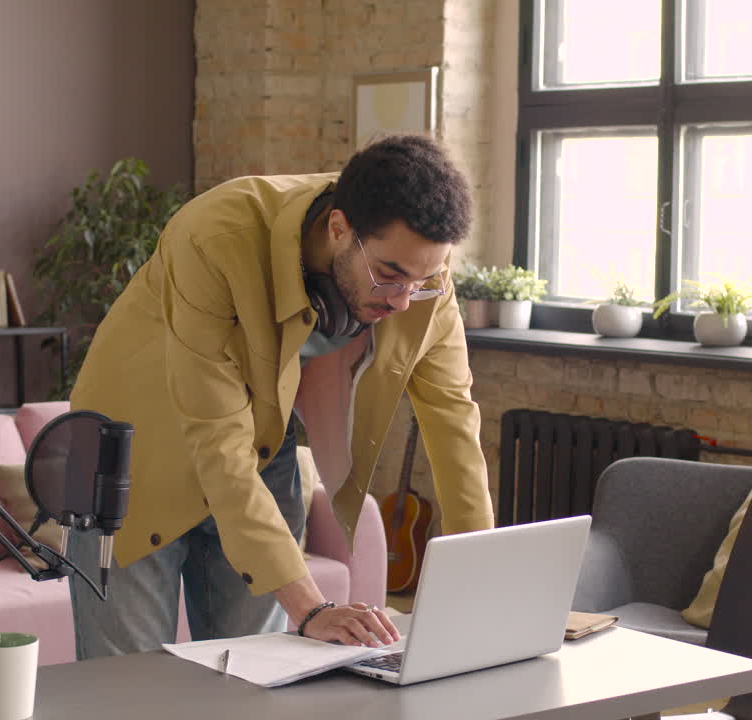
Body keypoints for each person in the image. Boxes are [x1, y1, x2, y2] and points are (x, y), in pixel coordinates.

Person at [68, 134, 494, 658]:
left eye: (425, 280)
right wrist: (311, 608)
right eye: (389, 275)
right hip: (130, 458)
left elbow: (455, 425)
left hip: (261, 450)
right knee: (125, 691)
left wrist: (481, 584)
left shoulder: (420, 270)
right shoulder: (213, 237)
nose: (405, 300)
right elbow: (215, 440)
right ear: (339, 229)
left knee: (250, 676)